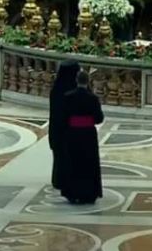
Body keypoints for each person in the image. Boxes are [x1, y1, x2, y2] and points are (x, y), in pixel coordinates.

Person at [61, 70, 104, 204]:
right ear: (88, 82)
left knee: (73, 162)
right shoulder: (93, 98)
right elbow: (98, 119)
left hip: (73, 133)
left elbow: (63, 117)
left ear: (76, 81)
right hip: (87, 135)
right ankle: (89, 193)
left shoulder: (68, 96)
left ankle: (72, 193)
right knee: (88, 163)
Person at [48, 59, 80, 190]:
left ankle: (58, 181)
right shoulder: (75, 92)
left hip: (57, 129)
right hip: (71, 130)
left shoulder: (56, 89)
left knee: (59, 157)